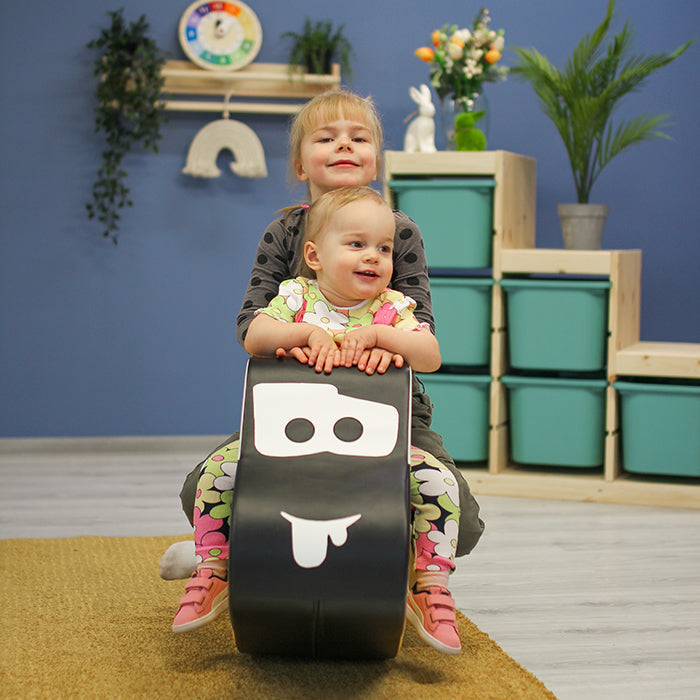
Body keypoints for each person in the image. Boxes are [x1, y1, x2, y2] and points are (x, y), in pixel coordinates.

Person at [167, 89, 484, 649]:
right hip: (293, 403)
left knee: (464, 516)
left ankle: (406, 573)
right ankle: (227, 557)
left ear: (376, 158)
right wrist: (304, 335)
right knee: (204, 486)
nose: (345, 144)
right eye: (327, 136)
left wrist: (387, 340)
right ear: (300, 163)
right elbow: (251, 326)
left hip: (389, 407)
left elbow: (422, 333)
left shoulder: (398, 232)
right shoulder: (285, 239)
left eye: (359, 137)